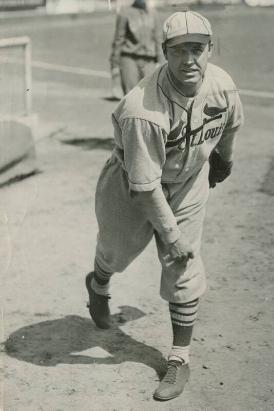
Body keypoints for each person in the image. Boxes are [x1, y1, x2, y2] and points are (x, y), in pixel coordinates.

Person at [86, 10, 244, 401]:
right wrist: (170, 235)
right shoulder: (144, 109)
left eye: (197, 49)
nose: (189, 59)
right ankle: (99, 282)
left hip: (187, 181)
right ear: (164, 52)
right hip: (130, 185)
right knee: (116, 253)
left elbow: (232, 125)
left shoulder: (223, 85)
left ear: (210, 49)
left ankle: (178, 357)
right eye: (179, 51)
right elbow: (145, 186)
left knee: (184, 265)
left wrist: (223, 159)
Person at [110, 0, 164, 96]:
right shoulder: (124, 12)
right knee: (131, 95)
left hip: (149, 60)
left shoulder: (153, 13)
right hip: (129, 58)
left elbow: (158, 39)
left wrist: (160, 63)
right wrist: (114, 64)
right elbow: (118, 39)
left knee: (150, 95)